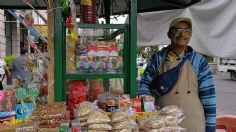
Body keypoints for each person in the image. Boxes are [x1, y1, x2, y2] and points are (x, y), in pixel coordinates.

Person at [138, 17, 216, 132]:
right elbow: (145, 85)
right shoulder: (158, 58)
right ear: (169, 34)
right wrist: (149, 113)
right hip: (162, 124)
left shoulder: (199, 61)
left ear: (190, 35)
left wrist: (210, 128)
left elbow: (208, 96)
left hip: (193, 123)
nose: (182, 35)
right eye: (177, 30)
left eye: (186, 31)